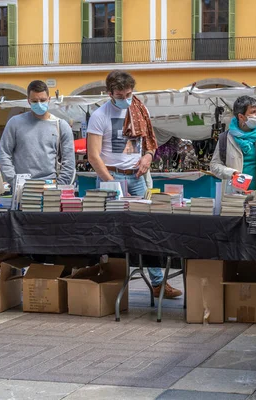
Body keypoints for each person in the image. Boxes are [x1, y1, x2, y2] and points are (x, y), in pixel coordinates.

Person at [87, 70, 181, 299]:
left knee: (146, 228)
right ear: (110, 93)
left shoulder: (140, 109)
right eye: (120, 95)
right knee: (113, 231)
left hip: (137, 177)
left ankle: (158, 282)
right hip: (112, 176)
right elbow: (93, 155)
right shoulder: (100, 115)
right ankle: (110, 281)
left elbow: (149, 143)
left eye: (129, 93)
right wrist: (110, 183)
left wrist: (148, 157)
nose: (126, 98)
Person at [0, 80, 75, 186]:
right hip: (22, 186)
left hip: (51, 186)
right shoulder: (15, 123)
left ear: (49, 99)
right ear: (28, 101)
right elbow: (4, 154)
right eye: (35, 101)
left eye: (43, 100)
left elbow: (69, 160)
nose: (39, 104)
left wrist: (59, 185)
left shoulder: (61, 126)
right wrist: (14, 181)